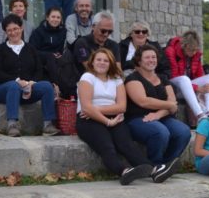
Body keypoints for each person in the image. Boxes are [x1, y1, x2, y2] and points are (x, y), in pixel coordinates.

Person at [76, 48, 178, 185]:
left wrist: (98, 111)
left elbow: (122, 107)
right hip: (89, 120)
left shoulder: (116, 79)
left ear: (111, 63)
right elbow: (86, 108)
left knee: (128, 145)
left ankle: (155, 171)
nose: (102, 63)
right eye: (98, 60)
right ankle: (124, 172)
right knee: (107, 146)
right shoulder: (87, 77)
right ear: (92, 62)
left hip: (115, 118)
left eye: (106, 60)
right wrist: (107, 121)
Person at [0, 15, 60, 137]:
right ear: (5, 32)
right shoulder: (0, 50)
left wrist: (31, 83)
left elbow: (38, 70)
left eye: (16, 29)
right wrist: (18, 81)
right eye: (9, 30)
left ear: (21, 28)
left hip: (28, 89)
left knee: (46, 86)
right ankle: (12, 124)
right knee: (14, 86)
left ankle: (48, 124)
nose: (13, 33)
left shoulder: (30, 48)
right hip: (5, 89)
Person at [125, 44, 190, 170]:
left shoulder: (163, 78)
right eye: (147, 57)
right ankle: (155, 164)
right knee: (160, 132)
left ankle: (167, 165)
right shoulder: (132, 79)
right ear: (139, 60)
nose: (151, 60)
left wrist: (158, 114)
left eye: (153, 57)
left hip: (162, 117)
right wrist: (170, 105)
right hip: (138, 119)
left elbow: (173, 103)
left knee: (183, 131)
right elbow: (143, 101)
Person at [165, 30, 209, 121]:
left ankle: (208, 111)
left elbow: (199, 75)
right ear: (184, 46)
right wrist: (197, 88)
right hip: (174, 87)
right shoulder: (171, 51)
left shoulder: (196, 54)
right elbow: (173, 76)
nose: (194, 53)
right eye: (191, 50)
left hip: (189, 87)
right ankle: (200, 115)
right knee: (184, 79)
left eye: (195, 50)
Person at [73, 10, 120, 75]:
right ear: (93, 27)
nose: (106, 34)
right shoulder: (82, 43)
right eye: (103, 31)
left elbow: (118, 71)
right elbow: (90, 68)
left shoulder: (114, 45)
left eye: (110, 32)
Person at [28, 7, 66, 85]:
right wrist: (49, 54)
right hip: (41, 59)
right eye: (53, 17)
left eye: (58, 17)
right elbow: (32, 50)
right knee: (50, 57)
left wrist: (59, 54)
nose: (55, 19)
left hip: (57, 58)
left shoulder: (63, 31)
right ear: (47, 18)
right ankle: (57, 85)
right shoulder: (38, 31)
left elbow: (63, 47)